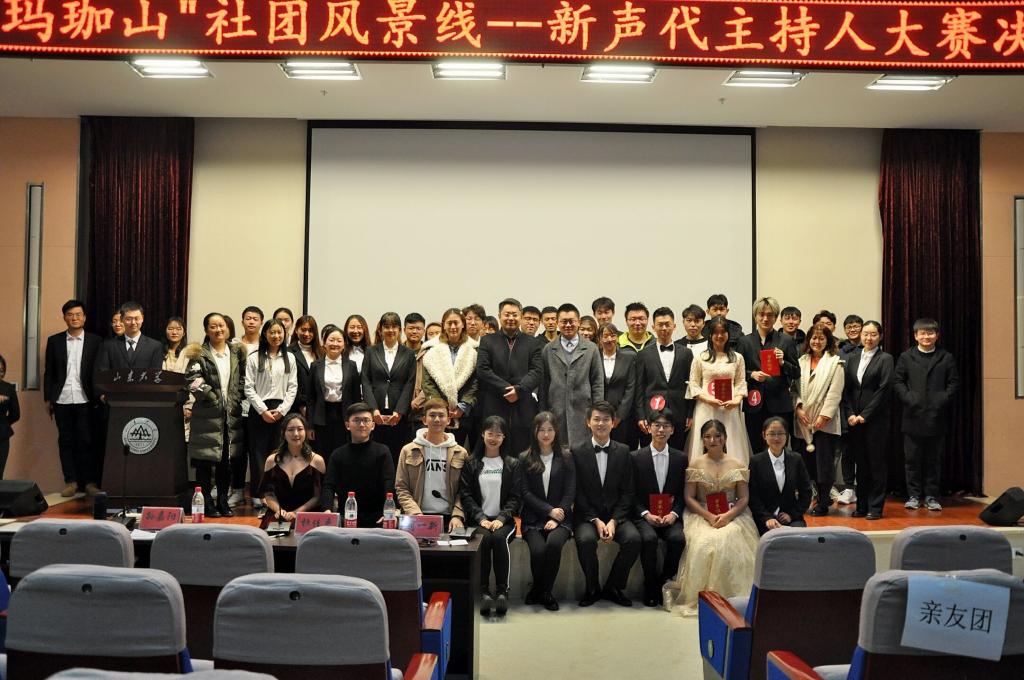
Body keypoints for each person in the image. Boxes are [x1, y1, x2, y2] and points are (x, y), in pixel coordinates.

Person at [666, 419, 758, 616]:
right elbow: (689, 497)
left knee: (731, 538)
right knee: (705, 543)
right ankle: (706, 598)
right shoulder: (696, 463)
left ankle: (734, 598)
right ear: (702, 440)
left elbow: (744, 498)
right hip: (701, 513)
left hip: (733, 514)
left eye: (717, 436)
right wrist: (708, 515)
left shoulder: (737, 464)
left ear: (725, 438)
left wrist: (728, 516)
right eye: (707, 436)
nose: (713, 440)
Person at [572, 400, 640, 608]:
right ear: (588, 422)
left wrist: (614, 521)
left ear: (613, 422)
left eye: (606, 419)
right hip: (587, 515)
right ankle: (592, 588)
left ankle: (613, 587)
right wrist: (595, 519)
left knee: (633, 539)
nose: (601, 424)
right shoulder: (576, 451)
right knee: (585, 540)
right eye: (596, 419)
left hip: (615, 515)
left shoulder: (624, 451)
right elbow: (577, 492)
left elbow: (628, 492)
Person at [459, 415, 523, 617]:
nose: (494, 438)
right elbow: (466, 495)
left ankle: (503, 591)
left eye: (498, 434)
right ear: (482, 434)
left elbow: (515, 497)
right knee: (484, 540)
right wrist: (481, 518)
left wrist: (501, 518)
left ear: (504, 437)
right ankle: (484, 592)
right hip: (480, 520)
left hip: (504, 521)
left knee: (500, 538)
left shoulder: (512, 464)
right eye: (490, 433)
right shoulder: (471, 462)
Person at [184, 312, 246, 518]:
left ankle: (222, 501)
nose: (218, 330)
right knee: (204, 463)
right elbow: (192, 380)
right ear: (206, 330)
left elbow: (242, 379)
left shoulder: (236, 352)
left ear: (227, 328)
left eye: (221, 326)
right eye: (213, 326)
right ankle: (207, 503)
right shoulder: (199, 354)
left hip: (231, 417)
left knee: (225, 463)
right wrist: (213, 398)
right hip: (207, 416)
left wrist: (236, 397)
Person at [893, 318, 959, 512]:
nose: (926, 336)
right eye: (922, 333)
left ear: (937, 335)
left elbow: (954, 383)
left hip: (936, 417)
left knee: (933, 460)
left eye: (930, 333)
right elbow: (898, 381)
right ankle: (913, 495)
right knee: (912, 460)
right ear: (915, 336)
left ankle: (931, 496)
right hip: (912, 416)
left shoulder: (946, 357)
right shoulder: (906, 357)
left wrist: (941, 399)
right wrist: (909, 398)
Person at [43, 299, 102, 497]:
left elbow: (99, 371)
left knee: (87, 441)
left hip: (86, 398)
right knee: (66, 441)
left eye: (78, 314)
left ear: (84, 318)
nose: (74, 318)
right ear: (64, 318)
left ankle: (89, 482)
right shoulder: (54, 341)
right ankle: (71, 481)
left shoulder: (96, 341)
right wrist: (47, 399)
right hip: (62, 398)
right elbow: (49, 372)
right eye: (70, 315)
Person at [519, 412, 575, 611]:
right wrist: (548, 511)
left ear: (556, 431)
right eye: (541, 430)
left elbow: (570, 490)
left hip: (562, 517)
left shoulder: (566, 456)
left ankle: (544, 592)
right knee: (538, 551)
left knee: (553, 545)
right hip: (533, 518)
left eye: (550, 429)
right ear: (535, 432)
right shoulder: (525, 458)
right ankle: (540, 589)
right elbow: (524, 492)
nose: (546, 434)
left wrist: (557, 515)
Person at [631, 409, 686, 607]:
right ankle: (650, 585)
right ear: (649, 428)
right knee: (648, 539)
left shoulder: (681, 458)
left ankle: (664, 582)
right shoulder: (635, 457)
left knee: (678, 539)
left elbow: (683, 493)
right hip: (645, 516)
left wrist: (674, 513)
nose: (661, 430)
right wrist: (645, 514)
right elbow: (630, 493)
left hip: (670, 515)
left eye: (666, 426)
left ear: (672, 430)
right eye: (657, 425)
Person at [476, 298, 543, 454]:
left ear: (520, 316)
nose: (511, 318)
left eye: (515, 314)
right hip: (495, 402)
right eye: (507, 314)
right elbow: (482, 370)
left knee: (522, 449)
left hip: (523, 404)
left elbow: (537, 371)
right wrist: (507, 389)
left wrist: (519, 390)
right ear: (499, 316)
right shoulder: (487, 341)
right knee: (494, 449)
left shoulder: (533, 342)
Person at [842, 321, 894, 520]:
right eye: (865, 334)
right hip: (854, 421)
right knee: (861, 465)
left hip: (875, 421)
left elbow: (884, 389)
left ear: (880, 336)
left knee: (876, 465)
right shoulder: (853, 358)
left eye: (873, 334)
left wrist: (865, 415)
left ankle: (875, 507)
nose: (868, 338)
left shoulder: (885, 359)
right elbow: (846, 389)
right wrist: (850, 414)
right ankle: (862, 506)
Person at [244, 318, 298, 507]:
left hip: (281, 410)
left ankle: (277, 493)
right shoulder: (254, 357)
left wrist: (282, 410)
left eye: (279, 332)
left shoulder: (290, 358)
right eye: (272, 332)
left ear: (285, 334)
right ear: (265, 334)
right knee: (258, 453)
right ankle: (259, 494)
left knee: (279, 453)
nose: (276, 336)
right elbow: (248, 387)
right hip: (259, 410)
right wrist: (263, 410)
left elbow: (293, 387)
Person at [794, 323, 846, 516]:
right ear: (808, 340)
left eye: (821, 338)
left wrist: (824, 417)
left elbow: (835, 393)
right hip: (803, 421)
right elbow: (793, 389)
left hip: (825, 423)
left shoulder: (836, 363)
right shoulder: (800, 362)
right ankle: (812, 499)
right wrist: (798, 408)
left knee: (824, 466)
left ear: (827, 341)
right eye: (814, 338)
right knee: (807, 465)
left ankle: (824, 503)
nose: (817, 342)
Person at [395, 398, 468, 533]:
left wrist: (457, 515)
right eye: (432, 415)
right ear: (424, 420)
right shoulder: (408, 450)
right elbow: (401, 487)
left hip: (450, 518)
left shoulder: (461, 453)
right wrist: (415, 513)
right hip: (417, 515)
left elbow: (464, 490)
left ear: (449, 420)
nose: (437, 419)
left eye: (441, 415)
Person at [737, 297, 800, 454]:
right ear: (755, 316)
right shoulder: (744, 341)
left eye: (770, 315)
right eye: (761, 314)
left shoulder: (786, 340)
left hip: (779, 403)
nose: (765, 318)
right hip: (754, 402)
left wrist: (782, 362)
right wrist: (751, 374)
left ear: (776, 317)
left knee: (779, 448)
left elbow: (796, 372)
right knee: (757, 448)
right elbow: (737, 372)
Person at [539, 303, 604, 450]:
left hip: (583, 411)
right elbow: (543, 384)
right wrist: (543, 413)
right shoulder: (548, 349)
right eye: (564, 321)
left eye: (571, 321)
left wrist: (597, 412)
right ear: (557, 323)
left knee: (583, 452)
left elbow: (597, 383)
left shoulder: (591, 349)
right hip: (556, 411)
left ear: (578, 322)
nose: (568, 325)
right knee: (558, 453)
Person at [320, 402, 396, 525]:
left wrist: (389, 512)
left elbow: (389, 483)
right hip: (346, 519)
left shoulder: (383, 451)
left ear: (373, 425)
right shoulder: (338, 454)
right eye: (356, 420)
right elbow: (329, 486)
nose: (361, 424)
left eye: (366, 420)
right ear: (347, 425)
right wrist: (327, 510)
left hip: (378, 519)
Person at [688, 316, 749, 463]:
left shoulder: (738, 358)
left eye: (723, 332)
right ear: (710, 335)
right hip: (706, 407)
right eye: (716, 332)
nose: (720, 336)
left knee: (732, 443)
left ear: (728, 334)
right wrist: (709, 400)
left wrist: (737, 400)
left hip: (730, 408)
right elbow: (693, 385)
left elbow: (740, 383)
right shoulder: (700, 358)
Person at [634, 307, 694, 450]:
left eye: (667, 324)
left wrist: (690, 413)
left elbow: (691, 385)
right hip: (652, 413)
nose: (664, 328)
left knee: (677, 454)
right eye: (660, 324)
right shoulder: (643, 354)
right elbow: (639, 387)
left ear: (674, 326)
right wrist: (641, 416)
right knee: (650, 454)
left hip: (679, 413)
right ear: (653, 327)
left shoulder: (686, 353)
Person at [362, 311, 417, 465]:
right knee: (374, 455)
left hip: (398, 414)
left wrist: (399, 411)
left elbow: (410, 383)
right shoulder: (371, 351)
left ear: (400, 330)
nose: (390, 330)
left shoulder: (408, 354)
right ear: (380, 330)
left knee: (397, 455)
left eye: (394, 327)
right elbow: (365, 381)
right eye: (386, 326)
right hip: (376, 413)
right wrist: (373, 410)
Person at [747, 417, 812, 534]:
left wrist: (792, 514)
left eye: (781, 433)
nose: (776, 438)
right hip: (765, 519)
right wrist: (766, 518)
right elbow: (753, 495)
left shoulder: (796, 459)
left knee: (798, 538)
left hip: (791, 518)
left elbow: (806, 492)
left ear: (786, 435)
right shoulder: (756, 461)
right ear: (764, 435)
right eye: (772, 434)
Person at [306, 324, 361, 461]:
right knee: (322, 453)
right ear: (324, 343)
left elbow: (356, 397)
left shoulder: (351, 365)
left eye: (339, 340)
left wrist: (354, 420)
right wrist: (310, 426)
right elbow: (311, 399)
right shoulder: (315, 366)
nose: (335, 344)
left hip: (344, 415)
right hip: (322, 415)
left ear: (344, 344)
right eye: (331, 340)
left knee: (343, 453)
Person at [260, 413, 326, 521]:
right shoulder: (272, 460)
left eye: (300, 429)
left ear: (306, 432)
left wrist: (296, 513)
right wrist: (279, 510)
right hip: (279, 514)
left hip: (307, 515)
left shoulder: (317, 461)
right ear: (283, 433)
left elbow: (318, 497)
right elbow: (269, 494)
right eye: (290, 430)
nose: (295, 434)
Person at [421, 308, 478, 433]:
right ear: (443, 325)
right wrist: (440, 407)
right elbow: (427, 382)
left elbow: (475, 382)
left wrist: (462, 406)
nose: (453, 327)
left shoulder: (474, 350)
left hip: (465, 412)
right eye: (449, 323)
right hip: (438, 414)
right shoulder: (431, 350)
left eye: (456, 323)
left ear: (463, 324)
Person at [94, 301, 164, 377]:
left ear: (142, 318)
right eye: (129, 319)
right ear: (122, 319)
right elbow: (102, 375)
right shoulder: (108, 346)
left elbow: (155, 376)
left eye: (137, 318)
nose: (133, 322)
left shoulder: (155, 346)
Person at [598, 322, 637, 448]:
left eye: (613, 335)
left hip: (622, 416)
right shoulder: (594, 356)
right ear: (599, 339)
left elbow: (630, 388)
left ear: (618, 337)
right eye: (605, 336)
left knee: (620, 449)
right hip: (598, 414)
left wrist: (620, 415)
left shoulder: (629, 357)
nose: (609, 339)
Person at [288, 314, 323, 416]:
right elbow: (289, 382)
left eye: (311, 330)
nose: (307, 334)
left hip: (319, 406)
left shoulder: (322, 353)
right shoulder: (289, 352)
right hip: (296, 407)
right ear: (296, 330)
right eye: (303, 330)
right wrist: (301, 405)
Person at [0, 354, 20, 477]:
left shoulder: (8, 388)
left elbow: (16, 414)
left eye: (1, 370)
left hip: (2, 435)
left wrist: (3, 423)